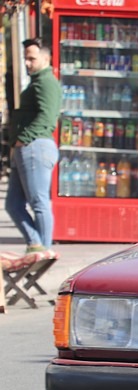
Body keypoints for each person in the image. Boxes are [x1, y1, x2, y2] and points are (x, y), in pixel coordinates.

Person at [5, 38, 62, 253]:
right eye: (25, 59)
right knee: (13, 205)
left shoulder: (46, 83)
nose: (27, 63)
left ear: (46, 59)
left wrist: (24, 138)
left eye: (32, 58)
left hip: (35, 146)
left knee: (39, 202)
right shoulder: (37, 82)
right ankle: (36, 243)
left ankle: (44, 249)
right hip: (26, 147)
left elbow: (48, 118)